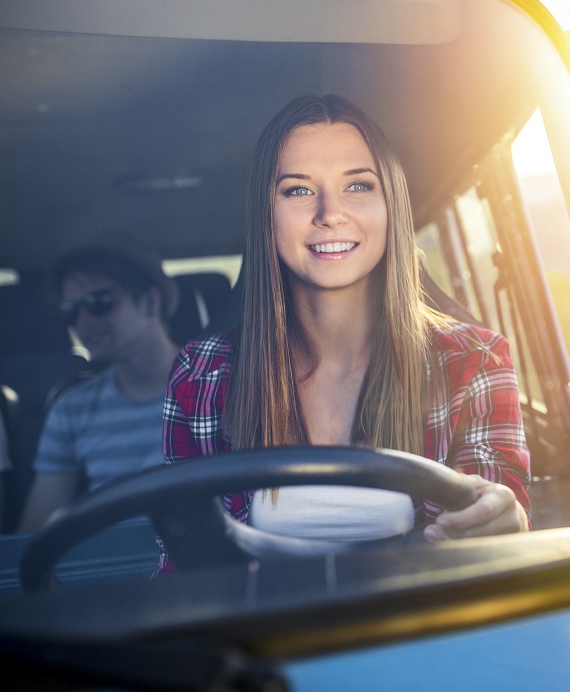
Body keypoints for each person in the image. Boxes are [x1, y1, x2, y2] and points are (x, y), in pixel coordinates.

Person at [161, 93, 529, 567]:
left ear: (391, 205)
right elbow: (181, 567)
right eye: (297, 190)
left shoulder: (475, 362)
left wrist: (506, 521)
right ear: (265, 217)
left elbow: (497, 538)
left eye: (358, 186)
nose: (329, 213)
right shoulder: (200, 375)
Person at [18, 232, 181, 532]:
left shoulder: (230, 382)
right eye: (70, 310)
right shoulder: (70, 410)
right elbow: (35, 536)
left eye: (99, 302)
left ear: (150, 301)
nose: (82, 322)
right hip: (113, 576)